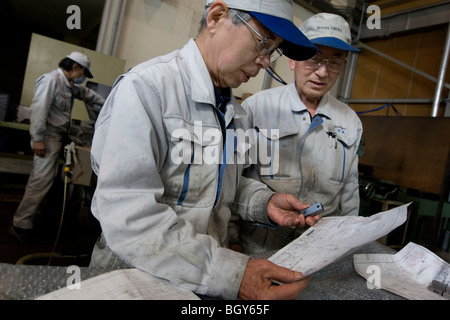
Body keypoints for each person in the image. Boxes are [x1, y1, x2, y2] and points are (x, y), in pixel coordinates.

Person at [89, 0, 320, 300]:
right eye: (263, 42)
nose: (265, 61)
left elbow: (220, 187)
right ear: (216, 17)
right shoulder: (147, 90)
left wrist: (264, 203)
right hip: (136, 280)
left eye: (273, 50)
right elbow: (129, 218)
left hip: (201, 284)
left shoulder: (238, 115)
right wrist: (232, 274)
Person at [235, 13, 363, 255]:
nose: (323, 72)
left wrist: (346, 249)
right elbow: (232, 181)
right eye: (314, 58)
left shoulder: (350, 121)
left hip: (318, 250)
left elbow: (349, 195)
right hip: (258, 247)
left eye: (334, 62)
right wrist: (231, 240)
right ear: (293, 59)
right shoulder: (257, 108)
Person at [9, 52, 105, 243]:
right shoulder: (51, 81)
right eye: (82, 73)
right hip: (47, 137)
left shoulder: (68, 85)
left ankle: (38, 216)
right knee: (40, 181)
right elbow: (39, 109)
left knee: (49, 180)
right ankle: (21, 224)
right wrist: (37, 139)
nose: (82, 77)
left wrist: (109, 103)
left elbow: (86, 94)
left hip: (57, 136)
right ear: (75, 67)